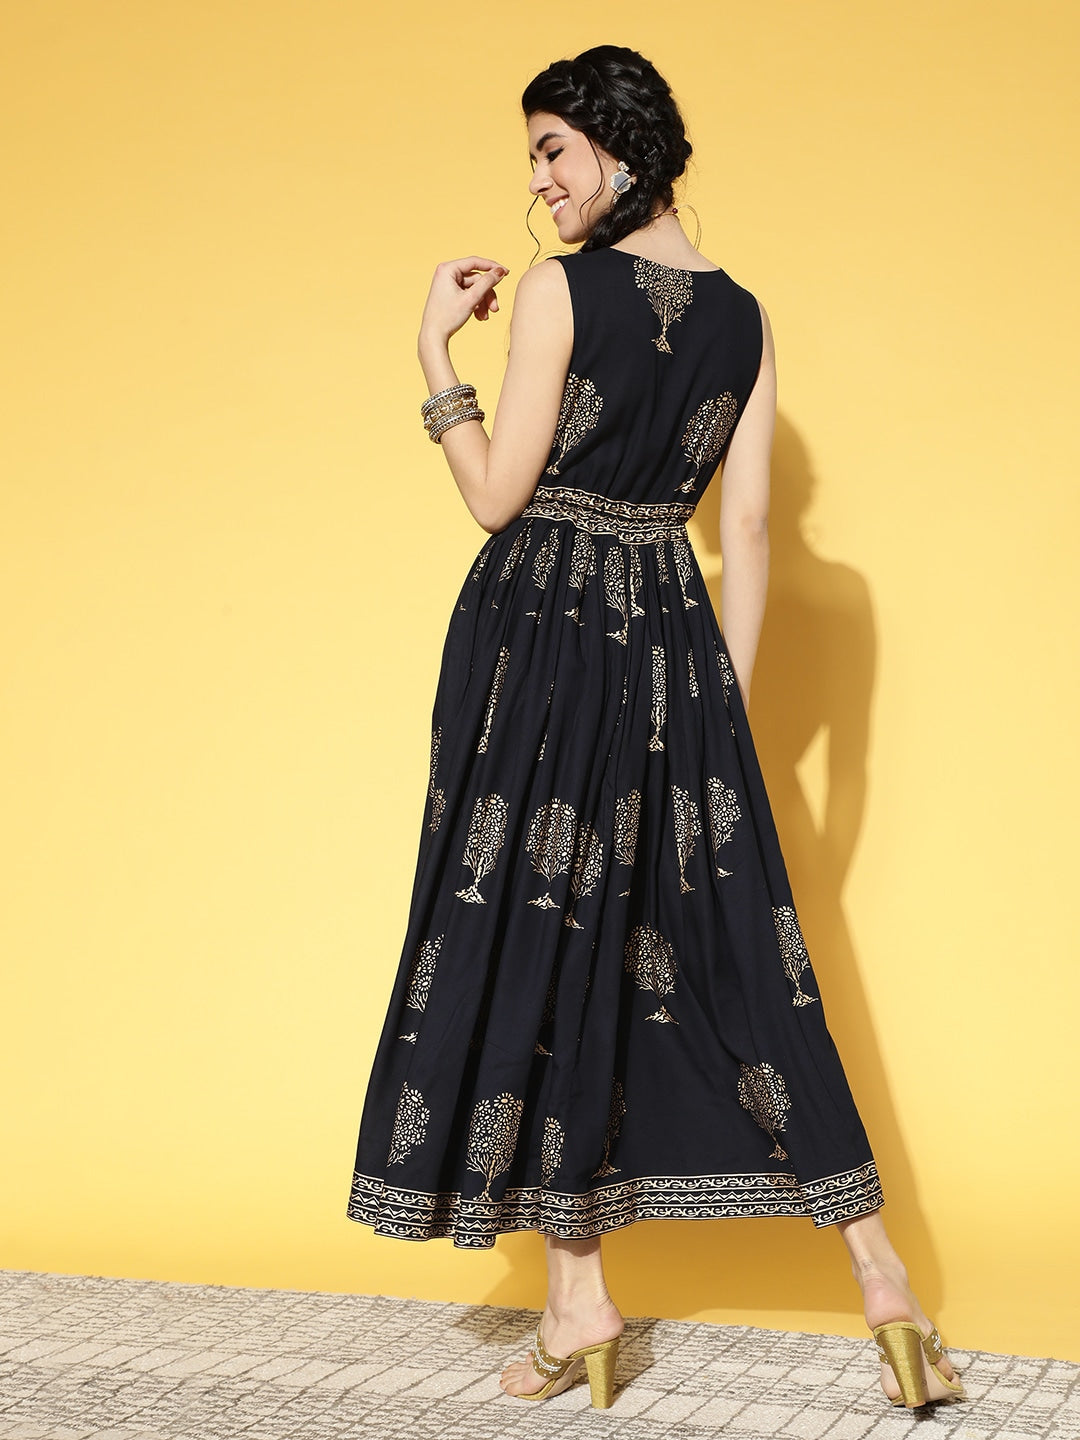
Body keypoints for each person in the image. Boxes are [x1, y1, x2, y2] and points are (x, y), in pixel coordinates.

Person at [345, 44, 966, 1414]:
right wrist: (718, 705)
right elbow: (744, 528)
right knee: (746, 960)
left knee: (539, 940)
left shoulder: (560, 293)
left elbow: (498, 496)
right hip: (677, 644)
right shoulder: (746, 316)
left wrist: (433, 356)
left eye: (551, 152)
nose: (537, 184)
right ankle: (881, 1286)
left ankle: (581, 1301)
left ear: (617, 152)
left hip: (541, 640)